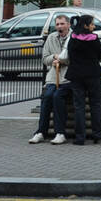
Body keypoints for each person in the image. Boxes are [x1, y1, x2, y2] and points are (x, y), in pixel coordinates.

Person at [29, 14, 72, 144]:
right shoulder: (51, 38)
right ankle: (41, 132)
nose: (59, 27)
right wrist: (54, 58)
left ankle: (60, 133)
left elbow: (75, 58)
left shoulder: (74, 37)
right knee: (47, 97)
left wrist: (62, 60)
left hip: (69, 78)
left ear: (68, 25)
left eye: (62, 24)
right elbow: (44, 58)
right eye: (57, 24)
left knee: (57, 97)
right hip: (53, 77)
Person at [65, 13, 101, 144]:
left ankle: (80, 137)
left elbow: (69, 55)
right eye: (92, 24)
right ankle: (96, 135)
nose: (94, 26)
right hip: (93, 74)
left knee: (79, 106)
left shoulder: (73, 38)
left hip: (76, 75)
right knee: (95, 104)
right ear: (86, 25)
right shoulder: (94, 38)